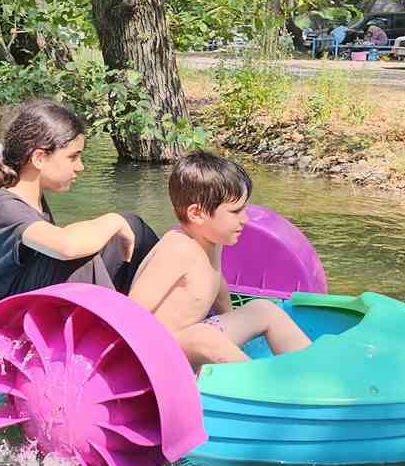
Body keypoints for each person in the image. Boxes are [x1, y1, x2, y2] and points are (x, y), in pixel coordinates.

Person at [0, 100, 160, 322]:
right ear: (39, 158)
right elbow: (67, 246)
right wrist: (113, 220)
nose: (80, 166)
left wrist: (121, 222)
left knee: (132, 226)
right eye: (72, 157)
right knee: (79, 255)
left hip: (28, 299)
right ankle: (121, 327)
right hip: (2, 319)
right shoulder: (5, 208)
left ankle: (155, 312)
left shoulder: (32, 198)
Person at [127, 151, 312, 369]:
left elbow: (218, 285)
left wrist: (233, 324)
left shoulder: (212, 242)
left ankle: (308, 370)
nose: (245, 219)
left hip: (193, 338)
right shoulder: (178, 249)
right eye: (235, 212)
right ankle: (262, 387)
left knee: (263, 309)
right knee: (204, 336)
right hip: (158, 351)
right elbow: (132, 310)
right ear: (197, 214)